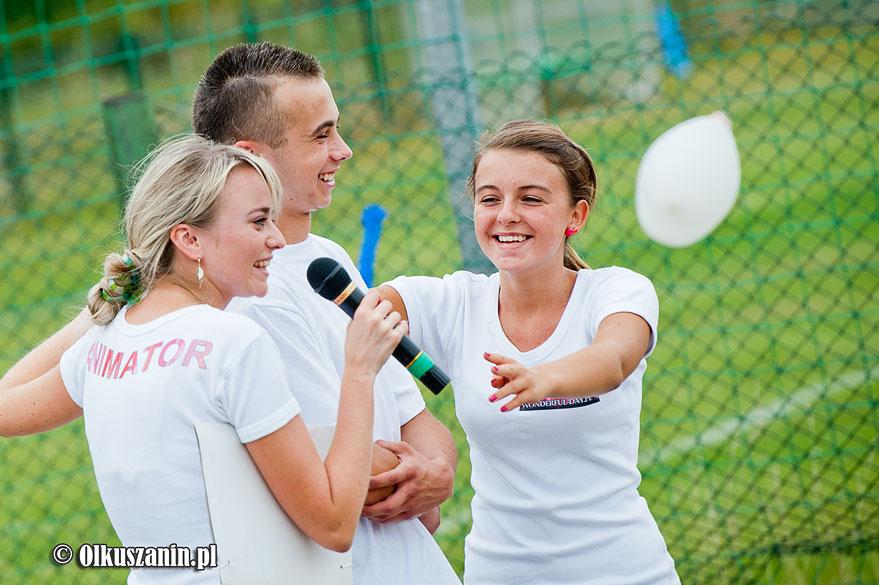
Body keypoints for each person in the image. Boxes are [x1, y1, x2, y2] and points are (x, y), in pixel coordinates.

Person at [0, 135, 409, 584]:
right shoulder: (234, 343)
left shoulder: (101, 345)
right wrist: (359, 370)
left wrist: (102, 312)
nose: (276, 239)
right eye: (258, 222)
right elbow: (331, 523)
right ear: (190, 239)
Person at [191, 43, 461, 584]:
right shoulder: (248, 293)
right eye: (321, 136)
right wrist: (417, 479)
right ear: (255, 157)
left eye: (336, 129)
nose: (344, 150)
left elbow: (417, 421)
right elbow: (333, 467)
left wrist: (438, 471)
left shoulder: (328, 258)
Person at [379, 120, 681, 585]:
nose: (507, 215)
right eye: (490, 198)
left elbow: (616, 358)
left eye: (531, 198)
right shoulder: (455, 301)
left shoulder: (616, 289)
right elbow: (358, 320)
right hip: (499, 572)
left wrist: (544, 378)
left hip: (625, 570)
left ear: (575, 217)